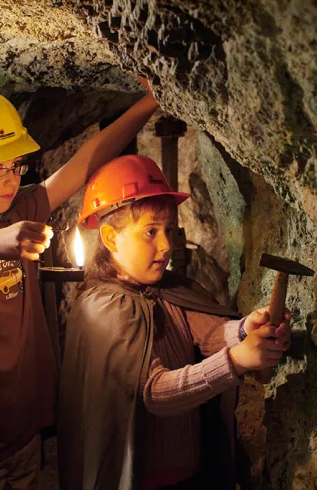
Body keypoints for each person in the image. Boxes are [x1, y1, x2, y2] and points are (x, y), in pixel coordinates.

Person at [0, 80, 159, 489]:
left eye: (16, 164)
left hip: (24, 437)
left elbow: (85, 163)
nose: (10, 179)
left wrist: (152, 100)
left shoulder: (21, 210)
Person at [58, 154, 291, 490]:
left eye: (168, 229)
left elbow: (207, 334)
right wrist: (237, 360)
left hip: (190, 472)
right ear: (110, 238)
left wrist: (245, 330)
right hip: (148, 481)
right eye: (150, 232)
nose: (166, 245)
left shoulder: (162, 290)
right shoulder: (105, 309)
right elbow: (154, 391)